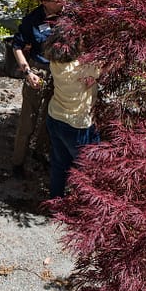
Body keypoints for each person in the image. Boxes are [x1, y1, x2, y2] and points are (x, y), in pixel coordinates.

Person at [11, 0, 66, 178]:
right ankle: (18, 162)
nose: (64, 1)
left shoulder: (69, 15)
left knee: (50, 119)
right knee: (28, 119)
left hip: (62, 74)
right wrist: (27, 73)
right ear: (45, 2)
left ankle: (40, 152)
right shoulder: (32, 20)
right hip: (39, 71)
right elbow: (16, 46)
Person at [43, 21, 100, 198]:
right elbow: (111, 63)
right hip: (77, 125)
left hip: (55, 117)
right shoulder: (83, 67)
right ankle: (84, 204)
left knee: (60, 164)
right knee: (88, 168)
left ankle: (55, 199)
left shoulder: (55, 61)